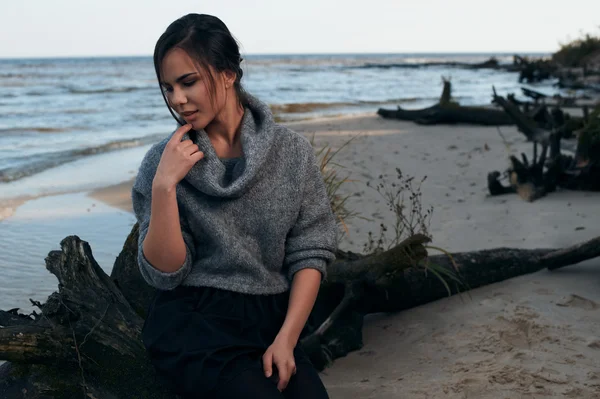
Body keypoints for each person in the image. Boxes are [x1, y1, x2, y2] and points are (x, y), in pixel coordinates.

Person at [131, 13, 337, 399]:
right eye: (168, 88)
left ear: (228, 73)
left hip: (273, 318)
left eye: (187, 82)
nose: (177, 100)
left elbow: (311, 250)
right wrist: (164, 185)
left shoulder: (291, 153)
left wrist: (287, 338)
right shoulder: (163, 160)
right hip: (195, 323)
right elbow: (166, 274)